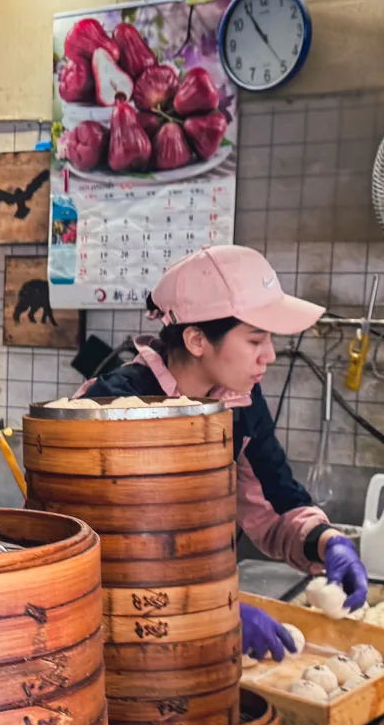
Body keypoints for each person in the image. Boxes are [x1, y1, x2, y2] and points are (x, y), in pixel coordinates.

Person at [80, 245, 369, 661]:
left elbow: (275, 501)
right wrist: (210, 610)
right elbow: (92, 551)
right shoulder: (109, 407)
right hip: (110, 642)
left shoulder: (240, 404)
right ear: (197, 339)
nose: (269, 355)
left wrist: (327, 542)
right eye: (255, 339)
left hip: (190, 646)